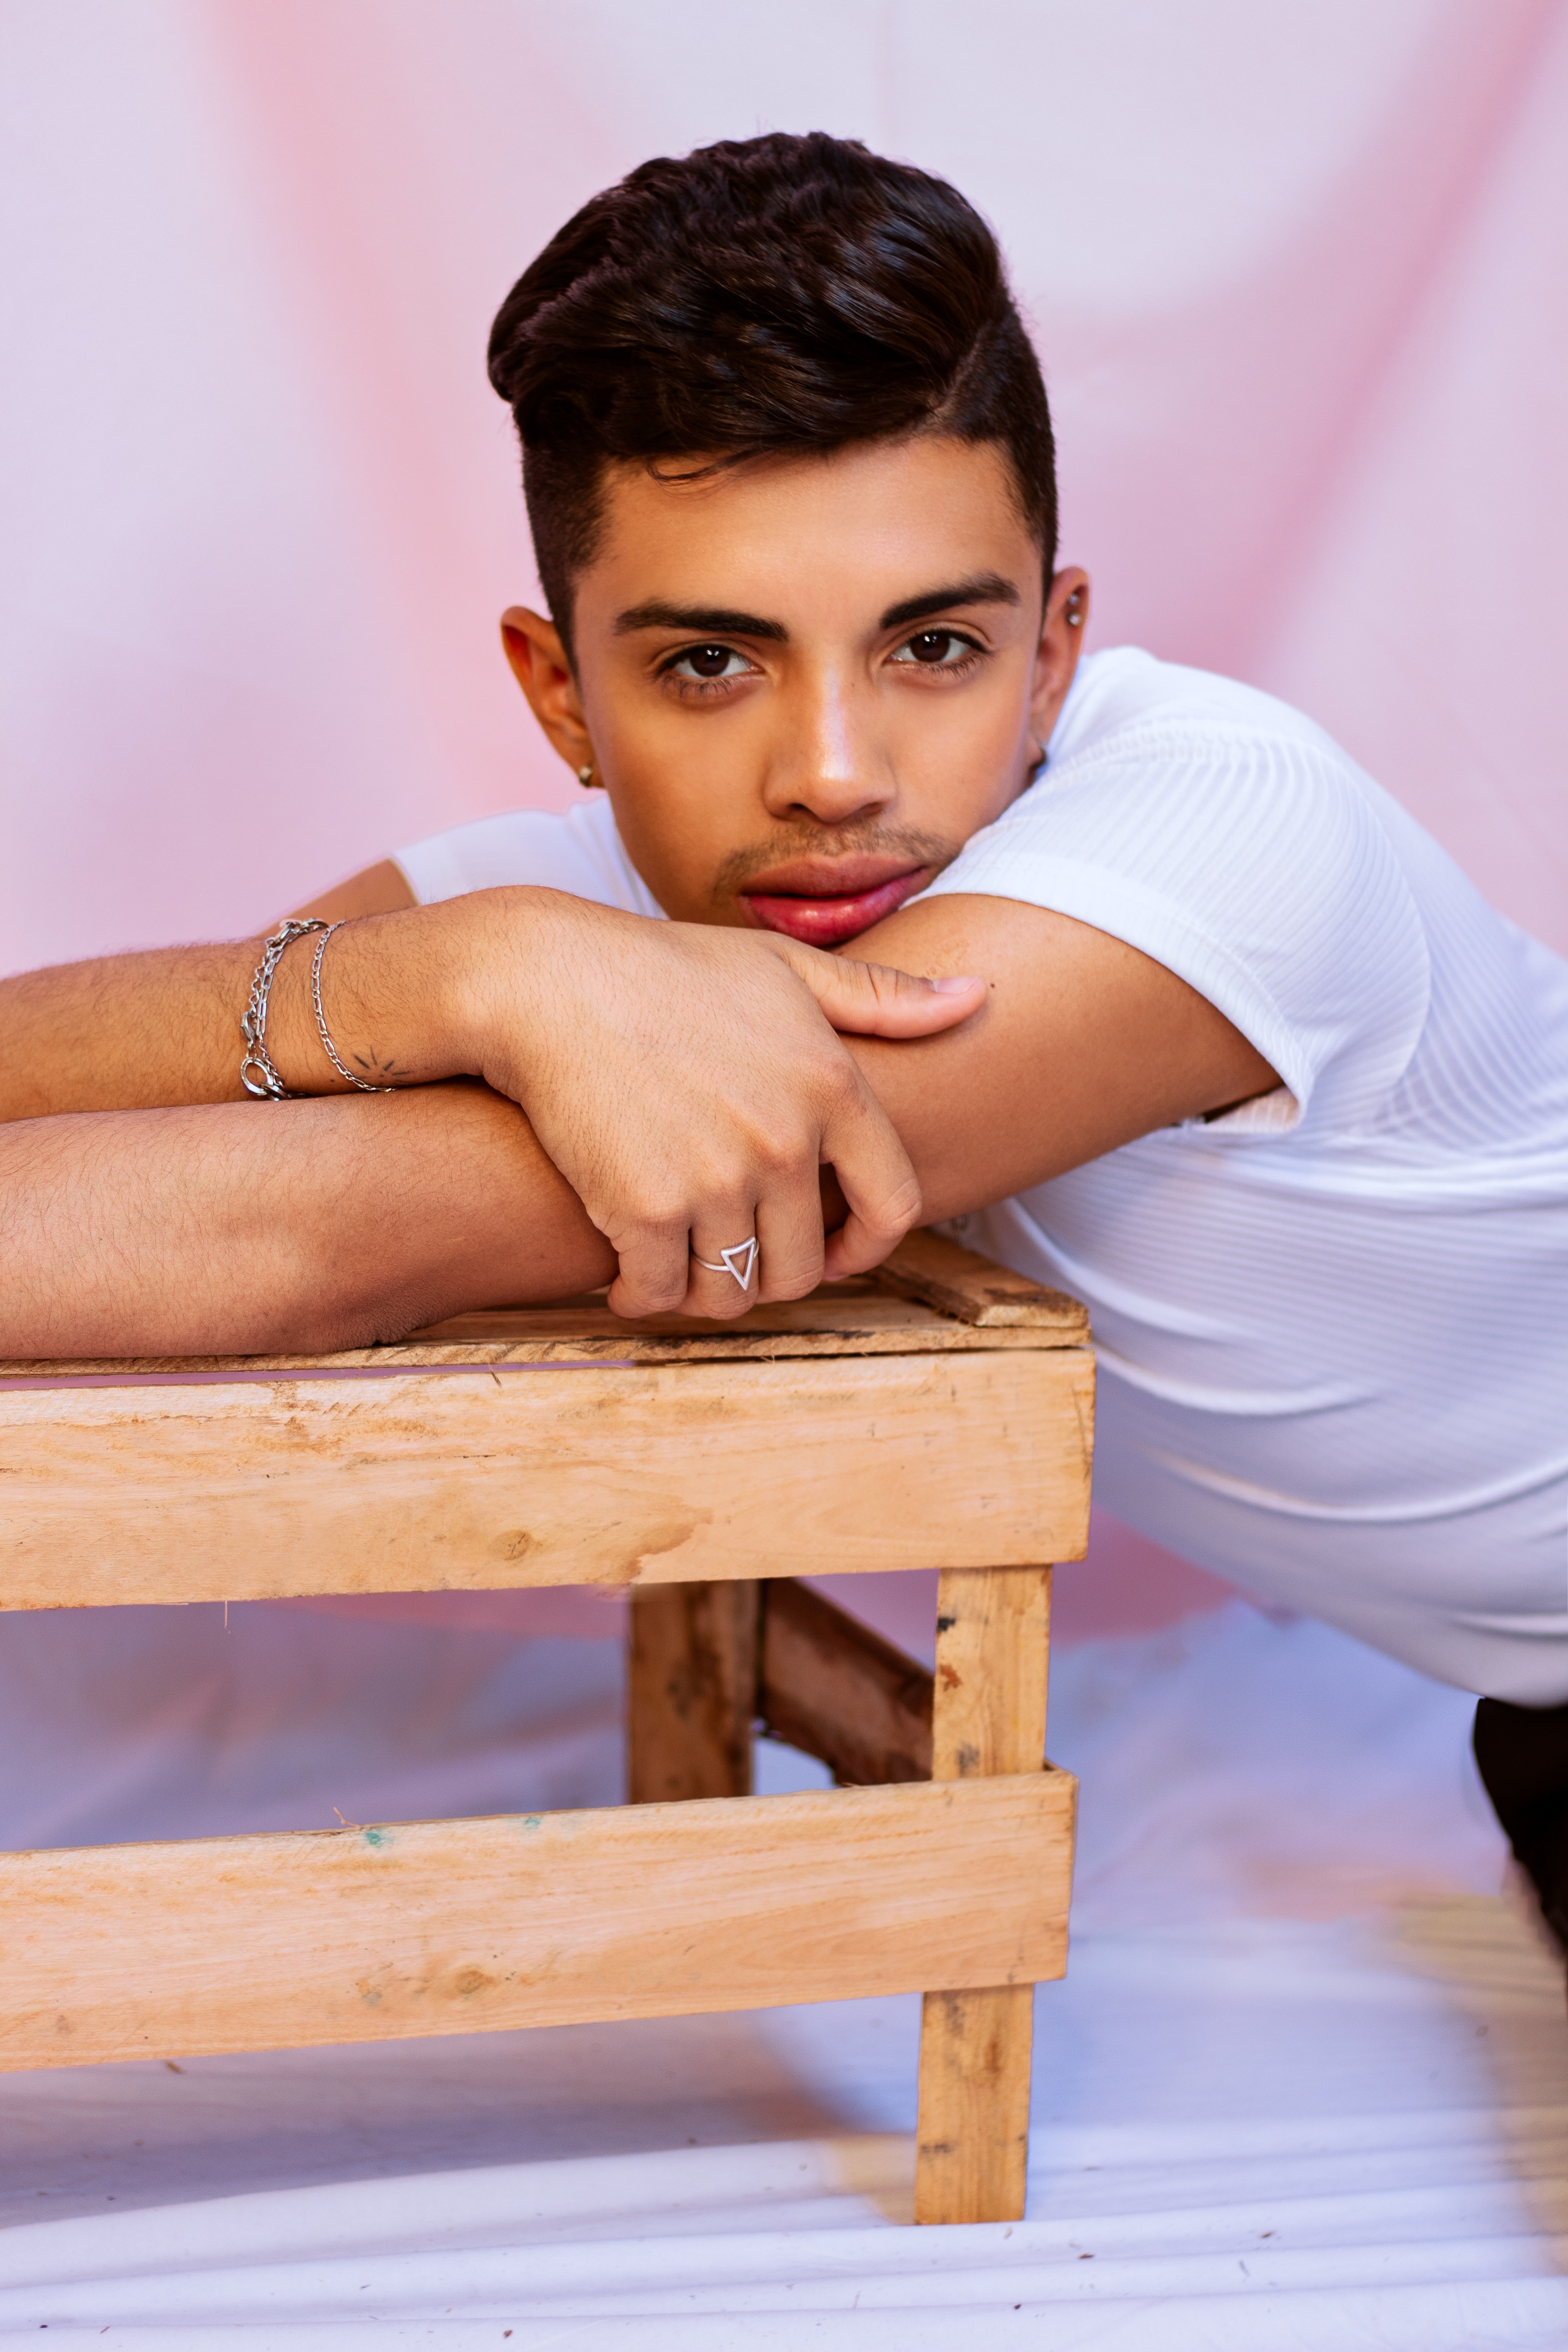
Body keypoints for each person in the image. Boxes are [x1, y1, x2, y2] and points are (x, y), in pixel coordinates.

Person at [4, 133, 1567, 1945]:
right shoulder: (599, 915)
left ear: (1056, 652)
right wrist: (450, 970)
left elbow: (301, 1225)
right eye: (709, 664)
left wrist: (456, 976)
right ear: (559, 692)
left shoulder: (1224, 839)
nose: (832, 775)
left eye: (934, 647)